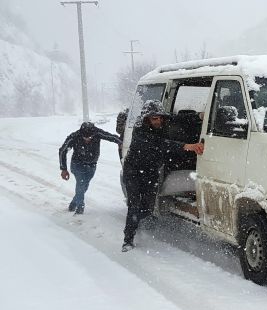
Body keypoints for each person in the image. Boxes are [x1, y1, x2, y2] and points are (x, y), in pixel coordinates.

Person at [121, 100, 204, 252]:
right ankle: (128, 239)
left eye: (160, 118)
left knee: (147, 208)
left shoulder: (162, 121)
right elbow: (159, 143)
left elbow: (178, 118)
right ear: (147, 118)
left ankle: (135, 219)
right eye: (154, 118)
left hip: (151, 171)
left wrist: (199, 116)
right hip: (133, 171)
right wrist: (187, 146)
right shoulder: (139, 130)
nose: (158, 121)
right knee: (134, 205)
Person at [59, 122, 122, 214]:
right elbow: (62, 151)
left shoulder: (97, 132)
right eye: (85, 137)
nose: (88, 139)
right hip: (77, 164)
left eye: (90, 137)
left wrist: (120, 142)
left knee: (85, 186)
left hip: (92, 165)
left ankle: (74, 203)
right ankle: (80, 207)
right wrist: (63, 169)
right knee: (81, 183)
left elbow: (110, 136)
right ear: (81, 134)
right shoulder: (74, 136)